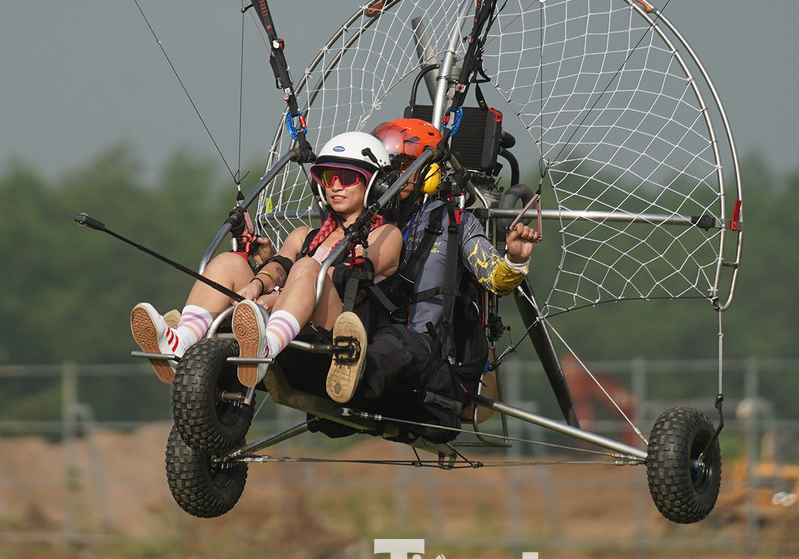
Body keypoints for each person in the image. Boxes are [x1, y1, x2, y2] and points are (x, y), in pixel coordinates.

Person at [130, 132, 402, 394]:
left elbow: (344, 277)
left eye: (347, 177)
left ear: (374, 185)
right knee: (230, 262)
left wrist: (275, 298)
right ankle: (179, 342)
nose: (335, 186)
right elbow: (280, 266)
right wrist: (258, 284)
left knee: (308, 268)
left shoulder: (386, 235)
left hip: (338, 327)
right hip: (289, 314)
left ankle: (264, 348)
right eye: (328, 177)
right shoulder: (304, 235)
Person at [356, 118, 542, 428]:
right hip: (366, 337)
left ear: (428, 173)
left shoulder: (454, 222)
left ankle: (359, 373)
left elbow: (497, 280)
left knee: (395, 339)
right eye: (389, 166)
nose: (393, 176)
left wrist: (514, 259)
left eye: (403, 166)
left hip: (422, 355)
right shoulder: (366, 218)